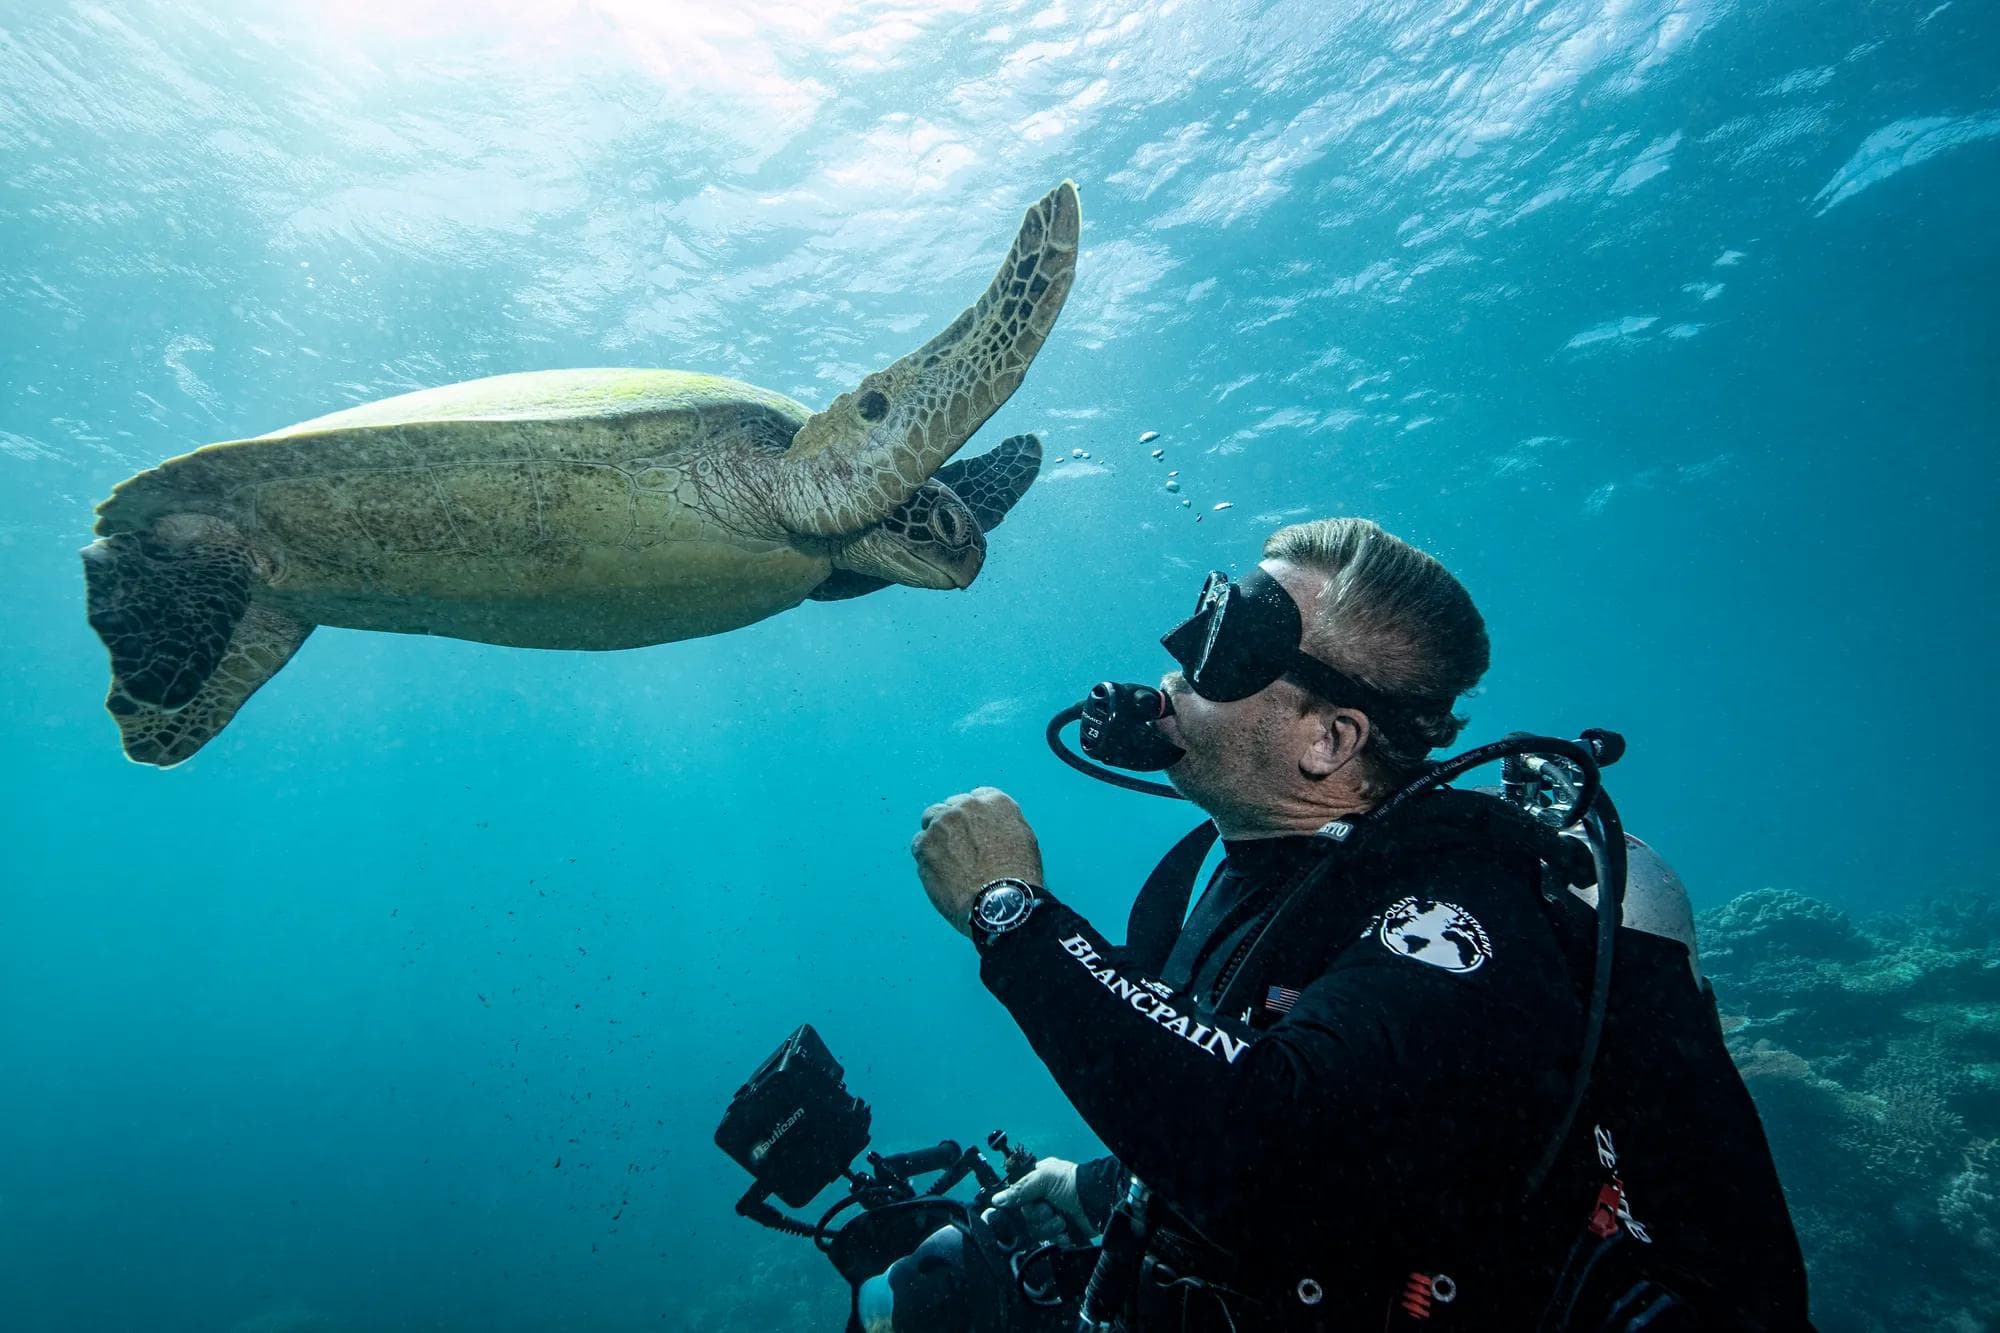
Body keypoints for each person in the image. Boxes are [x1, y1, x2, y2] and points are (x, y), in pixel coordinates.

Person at [910, 517, 1812, 1331]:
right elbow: (1215, 1052)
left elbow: (1273, 1136)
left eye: (1233, 643)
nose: (1177, 659)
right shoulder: (1229, 873)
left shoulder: (1457, 913)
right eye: (1205, 621)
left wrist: (1012, 914)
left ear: (1330, 740)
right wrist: (1092, 1188)